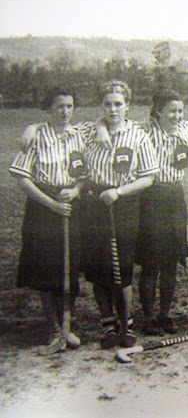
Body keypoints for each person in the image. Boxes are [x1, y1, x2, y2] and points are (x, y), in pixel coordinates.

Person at [10, 86, 88, 351]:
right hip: (43, 207)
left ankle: (68, 326)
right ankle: (54, 328)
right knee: (46, 268)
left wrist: (76, 190)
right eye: (59, 107)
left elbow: (85, 175)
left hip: (70, 204)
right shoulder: (36, 136)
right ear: (49, 109)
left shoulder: (80, 136)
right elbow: (22, 177)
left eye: (69, 106)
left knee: (70, 265)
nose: (65, 112)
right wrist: (52, 204)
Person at [83, 80, 159, 349]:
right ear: (100, 106)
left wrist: (119, 191)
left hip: (124, 203)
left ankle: (126, 322)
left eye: (118, 104)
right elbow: (62, 132)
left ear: (128, 106)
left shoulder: (138, 135)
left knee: (122, 267)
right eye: (107, 104)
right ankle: (108, 324)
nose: (113, 109)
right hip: (93, 204)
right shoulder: (88, 132)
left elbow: (149, 176)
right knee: (98, 267)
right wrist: (99, 127)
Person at [134, 89, 188, 336]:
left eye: (180, 111)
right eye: (171, 111)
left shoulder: (187, 130)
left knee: (171, 262)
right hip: (150, 196)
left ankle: (165, 315)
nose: (177, 116)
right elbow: (108, 125)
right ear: (158, 111)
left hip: (175, 197)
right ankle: (148, 318)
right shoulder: (142, 130)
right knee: (151, 263)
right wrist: (101, 128)